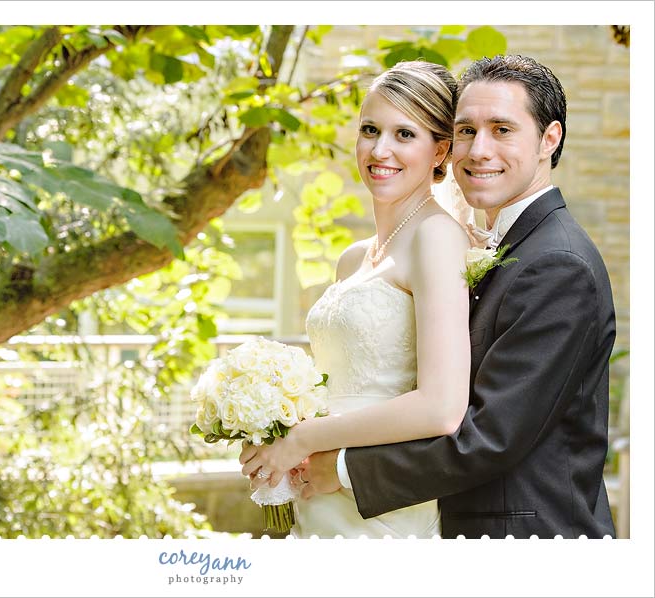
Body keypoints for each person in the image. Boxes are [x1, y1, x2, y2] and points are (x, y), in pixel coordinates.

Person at [253, 55, 617, 539]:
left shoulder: (558, 262)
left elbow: (486, 434)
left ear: (549, 139)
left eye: (502, 129)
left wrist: (336, 465)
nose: (479, 149)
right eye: (467, 129)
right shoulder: (496, 245)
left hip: (528, 538)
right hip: (363, 508)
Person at [240, 59, 471, 538]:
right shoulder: (351, 259)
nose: (380, 149)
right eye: (370, 129)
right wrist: (276, 427)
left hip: (378, 506)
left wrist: (305, 438)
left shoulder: (436, 237)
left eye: (404, 134)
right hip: (318, 497)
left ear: (440, 151)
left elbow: (441, 407)